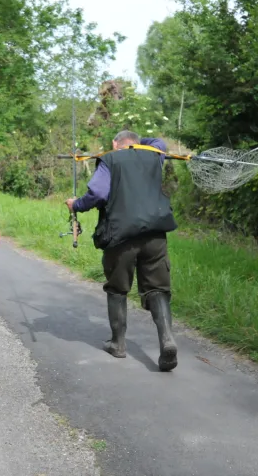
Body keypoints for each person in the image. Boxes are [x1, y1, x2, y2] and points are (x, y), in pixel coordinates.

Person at [65, 130, 179, 371]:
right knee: (158, 288)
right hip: (155, 234)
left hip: (121, 235)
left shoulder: (110, 159)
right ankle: (167, 339)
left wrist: (76, 204)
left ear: (115, 143)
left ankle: (118, 344)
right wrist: (137, 145)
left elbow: (97, 193)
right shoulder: (155, 154)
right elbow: (159, 143)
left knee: (117, 288)